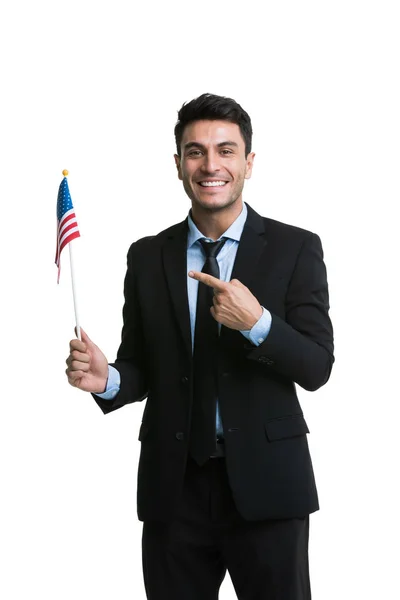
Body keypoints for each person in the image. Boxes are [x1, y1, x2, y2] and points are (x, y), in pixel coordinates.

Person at [66, 92, 334, 600]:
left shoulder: (296, 247)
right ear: (178, 164)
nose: (211, 165)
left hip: (268, 486)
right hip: (175, 489)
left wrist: (257, 323)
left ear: (249, 162)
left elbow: (318, 366)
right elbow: (142, 366)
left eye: (226, 150)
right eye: (196, 151)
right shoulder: (147, 256)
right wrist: (109, 379)